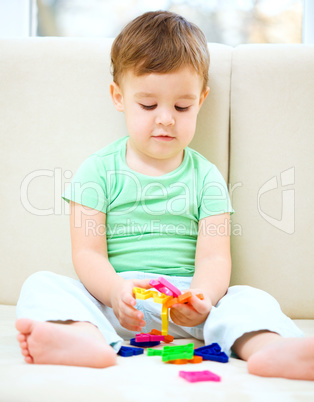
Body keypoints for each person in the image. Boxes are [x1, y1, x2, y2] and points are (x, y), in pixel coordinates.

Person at [15, 11, 314, 380]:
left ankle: (270, 348)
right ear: (118, 97)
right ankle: (82, 338)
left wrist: (201, 299)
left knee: (250, 298)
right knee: (43, 283)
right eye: (148, 105)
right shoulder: (97, 171)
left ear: (201, 100)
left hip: (188, 305)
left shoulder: (207, 177)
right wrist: (115, 292)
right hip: (118, 303)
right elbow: (87, 253)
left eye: (182, 106)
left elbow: (215, 259)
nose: (166, 119)